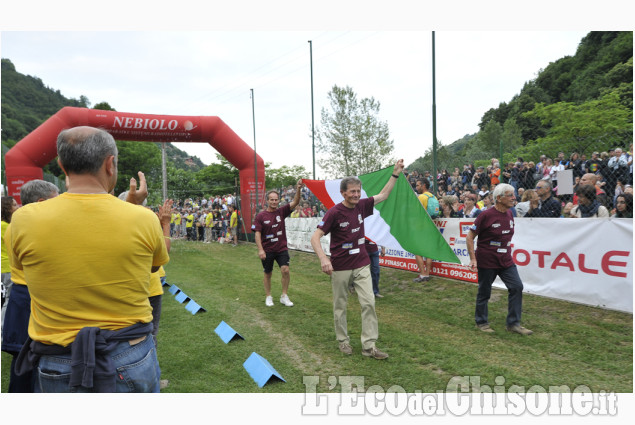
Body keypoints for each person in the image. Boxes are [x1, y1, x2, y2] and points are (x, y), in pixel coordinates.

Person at [9, 126, 169, 393]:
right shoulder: (143, 218)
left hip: (55, 356)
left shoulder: (24, 219)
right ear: (110, 164)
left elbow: (23, 272)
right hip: (129, 351)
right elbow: (153, 266)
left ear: (61, 165)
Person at [310, 159, 405, 360]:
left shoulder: (362, 205)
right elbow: (315, 237)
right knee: (340, 305)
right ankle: (343, 341)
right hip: (340, 266)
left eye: (358, 191)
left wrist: (395, 173)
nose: (356, 194)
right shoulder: (334, 212)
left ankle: (369, 346)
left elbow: (384, 195)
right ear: (343, 193)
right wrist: (323, 259)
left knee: (369, 302)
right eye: (352, 191)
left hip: (362, 264)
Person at [2, 180, 60, 392]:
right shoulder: (34, 228)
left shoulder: (18, 224)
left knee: (24, 363)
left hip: (23, 296)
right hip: (30, 297)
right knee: (28, 365)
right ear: (42, 202)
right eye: (57, 199)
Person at [466, 183, 533, 336]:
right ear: (499, 198)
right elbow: (470, 237)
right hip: (487, 260)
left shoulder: (510, 213)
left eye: (513, 195)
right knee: (485, 291)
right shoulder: (485, 215)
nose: (514, 198)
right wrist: (473, 259)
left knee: (516, 286)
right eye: (510, 195)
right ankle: (481, 322)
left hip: (505, 260)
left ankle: (513, 323)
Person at [254, 180, 303, 307]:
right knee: (268, 273)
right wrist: (260, 250)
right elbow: (257, 233)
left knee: (285, 270)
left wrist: (298, 189)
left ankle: (284, 296)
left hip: (281, 248)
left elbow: (296, 202)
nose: (274, 202)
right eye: (272, 200)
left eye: (276, 200)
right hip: (268, 250)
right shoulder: (261, 216)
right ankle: (268, 296)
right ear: (267, 201)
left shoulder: (281, 211)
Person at [413, 178, 436, 283]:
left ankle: (422, 274)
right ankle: (427, 274)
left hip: (421, 227)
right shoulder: (433, 196)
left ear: (423, 186)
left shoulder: (421, 197)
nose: (416, 187)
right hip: (431, 226)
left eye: (418, 185)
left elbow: (416, 212)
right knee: (429, 252)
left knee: (417, 251)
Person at [1, 196, 19, 324]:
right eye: (14, 205)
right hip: (7, 266)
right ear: (7, 209)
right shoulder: (5, 226)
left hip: (4, 266)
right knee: (9, 299)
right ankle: (2, 326)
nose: (17, 206)